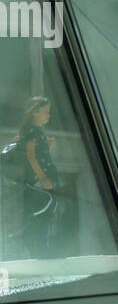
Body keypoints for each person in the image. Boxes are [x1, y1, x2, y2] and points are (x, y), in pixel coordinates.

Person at [19, 95, 59, 255]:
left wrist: (47, 146)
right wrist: (42, 178)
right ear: (34, 112)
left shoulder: (38, 132)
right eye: (45, 112)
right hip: (39, 179)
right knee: (44, 210)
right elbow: (31, 156)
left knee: (46, 210)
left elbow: (39, 155)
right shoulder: (32, 132)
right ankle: (38, 245)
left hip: (43, 177)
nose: (48, 116)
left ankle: (36, 242)